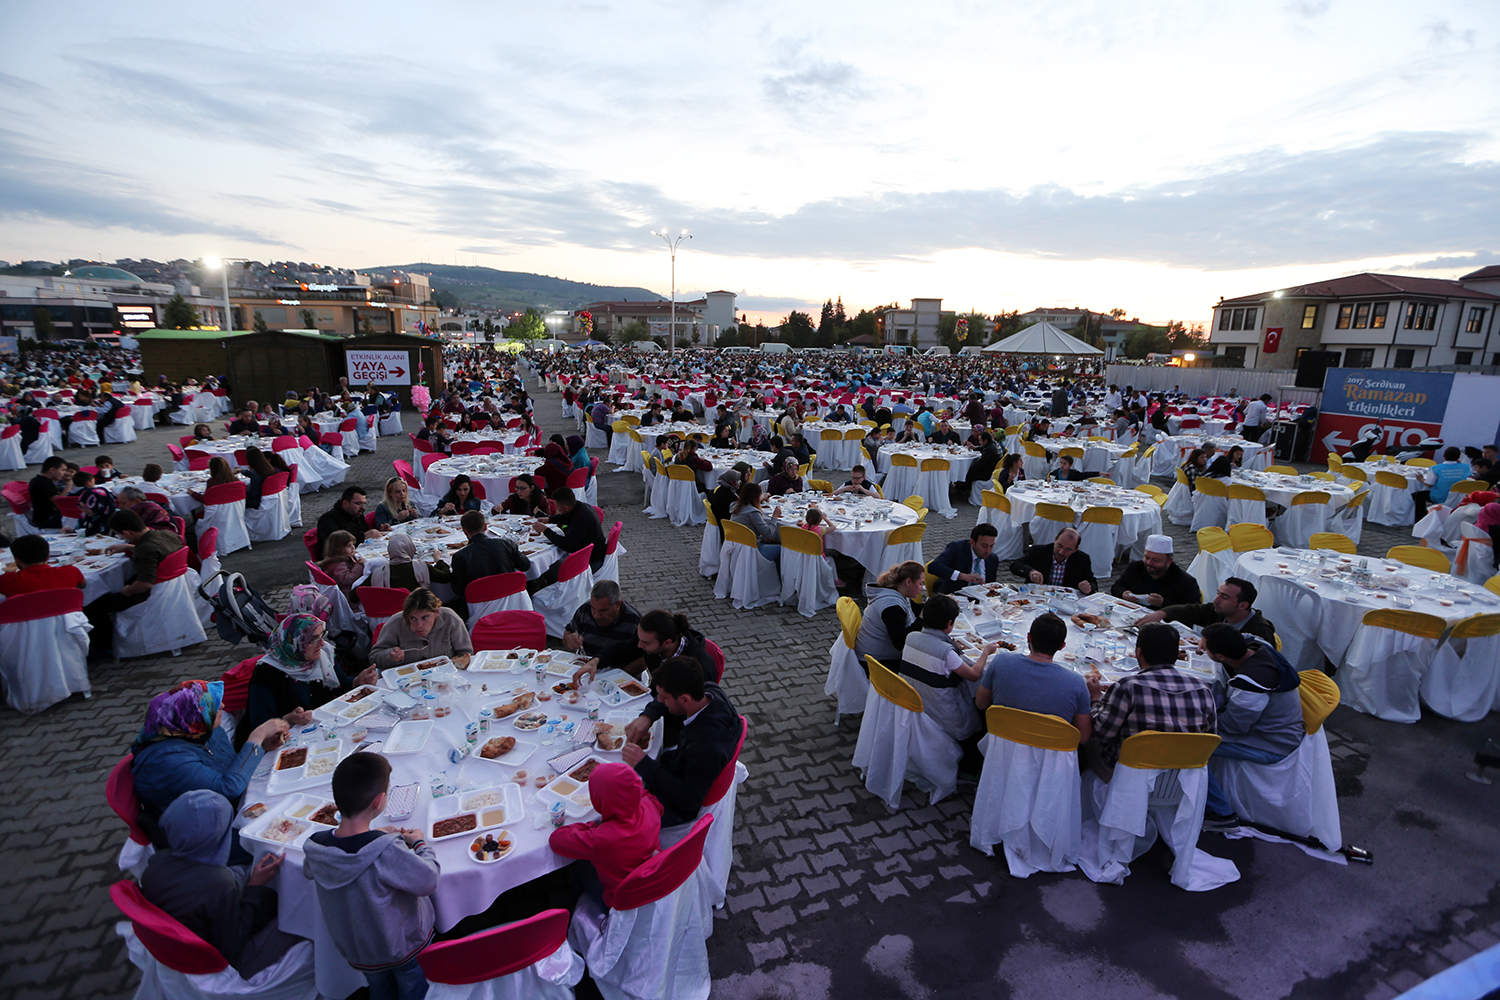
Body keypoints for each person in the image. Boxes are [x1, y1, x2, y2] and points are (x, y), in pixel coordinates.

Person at [303, 753, 438, 1000]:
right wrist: (419, 844)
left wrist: (373, 833)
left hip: (360, 951)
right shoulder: (386, 850)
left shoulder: (316, 847)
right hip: (404, 946)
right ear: (379, 801)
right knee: (414, 990)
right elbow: (428, 879)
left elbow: (312, 868)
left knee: (380, 991)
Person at [141, 790, 304, 978]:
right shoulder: (218, 882)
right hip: (227, 963)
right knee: (297, 914)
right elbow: (233, 947)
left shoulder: (158, 860)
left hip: (180, 940)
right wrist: (254, 887)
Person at [130, 680, 291, 843]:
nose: (222, 705)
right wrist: (257, 736)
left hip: (236, 809)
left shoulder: (201, 732)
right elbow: (228, 788)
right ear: (189, 716)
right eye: (210, 705)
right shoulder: (166, 761)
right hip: (206, 835)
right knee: (288, 837)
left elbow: (231, 766)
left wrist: (262, 746)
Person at [1200, 623, 1305, 828]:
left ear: (1221, 657)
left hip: (1273, 744)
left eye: (1205, 648)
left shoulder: (1251, 687)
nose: (1201, 649)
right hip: (1275, 726)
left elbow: (1232, 727)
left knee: (1191, 746)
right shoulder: (1258, 645)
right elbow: (1241, 633)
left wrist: (1194, 717)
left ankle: (1220, 814)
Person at [1083, 623, 1217, 780]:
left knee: (1084, 737)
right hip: (1180, 776)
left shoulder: (1129, 687)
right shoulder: (1203, 689)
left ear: (1139, 652)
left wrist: (1095, 699)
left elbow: (1101, 731)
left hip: (1128, 772)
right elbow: (1209, 738)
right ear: (1176, 654)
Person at [620, 656, 739, 827]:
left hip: (677, 809)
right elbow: (664, 702)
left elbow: (688, 799)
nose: (659, 701)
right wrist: (649, 715)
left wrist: (645, 764)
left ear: (684, 700)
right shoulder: (710, 691)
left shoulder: (705, 747)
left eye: (664, 698)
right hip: (680, 767)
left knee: (616, 808)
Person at [237, 614, 379, 745]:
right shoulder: (267, 673)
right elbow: (259, 724)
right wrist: (289, 718)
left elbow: (341, 685)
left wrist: (359, 681)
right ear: (295, 642)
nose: (322, 643)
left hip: (320, 731)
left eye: (322, 635)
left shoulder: (321, 656)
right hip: (280, 742)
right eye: (313, 639)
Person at [549, 762, 663, 908]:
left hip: (621, 901)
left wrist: (593, 827)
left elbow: (557, 840)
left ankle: (575, 905)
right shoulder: (649, 806)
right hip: (651, 881)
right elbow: (652, 800)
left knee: (579, 868)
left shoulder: (602, 838)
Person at [84, 509, 187, 659]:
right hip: (172, 585)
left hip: (148, 593)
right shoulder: (166, 534)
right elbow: (159, 550)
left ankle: (103, 648)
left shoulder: (146, 550)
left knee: (94, 605)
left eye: (120, 535)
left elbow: (144, 584)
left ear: (126, 533)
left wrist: (127, 590)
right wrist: (128, 547)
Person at [974, 612, 1092, 743]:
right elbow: (1083, 737)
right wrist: (1096, 698)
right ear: (1061, 646)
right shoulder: (1077, 683)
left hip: (1001, 749)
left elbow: (981, 703)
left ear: (1028, 637)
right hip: (1051, 757)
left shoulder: (1001, 662)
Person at [899, 594, 990, 742]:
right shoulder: (945, 652)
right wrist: (985, 652)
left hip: (915, 699)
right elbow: (973, 675)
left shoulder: (911, 637)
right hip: (943, 710)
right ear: (949, 623)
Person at [575, 608, 718, 690]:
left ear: (667, 643)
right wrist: (595, 661)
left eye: (645, 643)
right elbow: (620, 650)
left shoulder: (701, 668)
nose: (639, 646)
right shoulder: (651, 644)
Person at [1139, 577, 1277, 645]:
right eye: (1218, 594)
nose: (1216, 600)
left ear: (1242, 605)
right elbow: (1190, 610)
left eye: (1224, 597)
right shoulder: (1218, 611)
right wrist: (1162, 613)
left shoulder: (1259, 632)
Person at [450, 509, 530, 616]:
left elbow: (458, 589)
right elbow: (525, 565)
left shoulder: (460, 556)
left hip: (480, 607)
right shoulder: (506, 544)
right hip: (511, 600)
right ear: (485, 527)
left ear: (464, 531)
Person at [370, 588, 474, 669]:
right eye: (413, 618)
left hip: (444, 677)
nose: (419, 625)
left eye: (425, 618)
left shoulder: (450, 619)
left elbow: (466, 654)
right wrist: (390, 656)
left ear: (436, 612)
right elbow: (374, 658)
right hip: (407, 682)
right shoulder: (395, 623)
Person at [529, 488, 605, 592]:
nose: (556, 508)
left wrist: (545, 530)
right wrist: (549, 519)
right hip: (590, 553)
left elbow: (566, 545)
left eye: (556, 506)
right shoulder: (579, 506)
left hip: (590, 561)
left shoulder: (580, 519)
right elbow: (566, 516)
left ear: (565, 507)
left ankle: (551, 591)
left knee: (549, 568)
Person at [854, 560, 925, 669]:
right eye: (920, 583)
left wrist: (939, 604)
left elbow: (916, 609)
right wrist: (921, 619)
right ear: (908, 582)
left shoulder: (897, 593)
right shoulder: (892, 606)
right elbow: (900, 642)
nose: (922, 588)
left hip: (876, 656)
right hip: (874, 663)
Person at [1110, 534, 1201, 609]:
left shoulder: (1185, 581)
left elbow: (1192, 611)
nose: (1149, 563)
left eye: (1156, 560)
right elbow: (1116, 586)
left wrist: (1163, 603)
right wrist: (1123, 593)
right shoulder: (1136, 567)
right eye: (1147, 558)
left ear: (1169, 561)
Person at [562, 579, 643, 657]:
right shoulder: (584, 610)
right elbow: (568, 632)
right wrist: (569, 640)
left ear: (618, 605)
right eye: (593, 608)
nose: (596, 615)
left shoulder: (634, 621)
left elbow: (641, 660)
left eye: (603, 611)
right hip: (586, 663)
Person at [1010, 528, 1096, 594]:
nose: (1061, 552)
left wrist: (1088, 587)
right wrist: (1031, 571)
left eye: (1068, 549)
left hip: (1066, 600)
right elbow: (1015, 565)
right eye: (1059, 546)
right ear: (1055, 539)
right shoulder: (1039, 551)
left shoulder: (1082, 559)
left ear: (1075, 549)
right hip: (1038, 596)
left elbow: (1092, 583)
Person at [0, 534, 85, 596]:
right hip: (68, 619)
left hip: (26, 619)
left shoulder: (8, 580)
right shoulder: (71, 572)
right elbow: (82, 585)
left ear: (17, 561)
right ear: (48, 556)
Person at [929, 523, 1001, 594]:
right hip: (954, 596)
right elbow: (933, 566)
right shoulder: (957, 549)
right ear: (972, 542)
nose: (988, 551)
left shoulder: (992, 559)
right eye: (984, 546)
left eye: (991, 546)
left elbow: (991, 585)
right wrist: (962, 576)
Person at [371, 531, 451, 591]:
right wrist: (438, 560)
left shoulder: (380, 572)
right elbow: (445, 577)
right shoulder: (420, 567)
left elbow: (359, 590)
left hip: (390, 610)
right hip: (418, 609)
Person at [729, 480, 782, 565]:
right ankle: (777, 576)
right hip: (752, 549)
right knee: (784, 550)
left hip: (737, 545)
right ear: (756, 496)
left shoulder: (735, 506)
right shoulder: (753, 512)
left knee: (774, 541)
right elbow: (768, 533)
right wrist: (774, 517)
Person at [317, 485, 386, 546]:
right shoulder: (329, 519)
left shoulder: (357, 514)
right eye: (359, 503)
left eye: (364, 504)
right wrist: (363, 536)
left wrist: (379, 530)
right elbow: (334, 542)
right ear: (345, 503)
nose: (362, 507)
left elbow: (366, 531)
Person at [318, 531, 365, 603]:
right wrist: (358, 565)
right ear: (338, 548)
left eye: (353, 544)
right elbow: (348, 579)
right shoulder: (339, 564)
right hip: (347, 594)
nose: (353, 547)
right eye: (349, 546)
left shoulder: (339, 559)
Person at [27, 455, 68, 529]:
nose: (65, 473)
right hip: (47, 519)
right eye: (63, 470)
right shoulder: (42, 483)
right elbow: (59, 501)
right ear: (52, 470)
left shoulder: (41, 480)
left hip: (46, 517)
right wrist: (69, 485)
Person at [707, 468, 741, 538]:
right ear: (733, 482)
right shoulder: (729, 496)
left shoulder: (721, 489)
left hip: (720, 523)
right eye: (737, 480)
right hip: (727, 528)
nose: (740, 482)